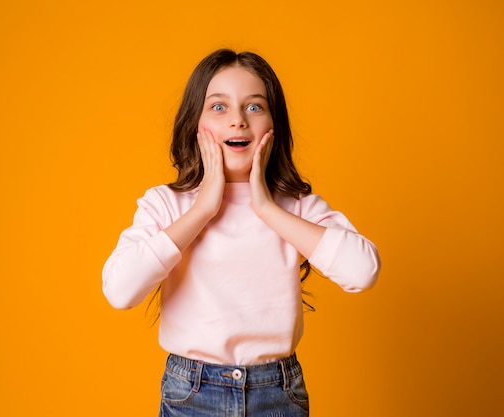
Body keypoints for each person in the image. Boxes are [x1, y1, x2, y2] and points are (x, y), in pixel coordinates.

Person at [102, 49, 381, 417]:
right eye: (219, 107)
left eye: (254, 107)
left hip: (278, 394)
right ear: (194, 123)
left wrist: (265, 207)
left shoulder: (295, 206)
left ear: (273, 124)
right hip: (192, 393)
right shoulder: (166, 205)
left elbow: (362, 271)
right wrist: (203, 209)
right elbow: (120, 290)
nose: (238, 121)